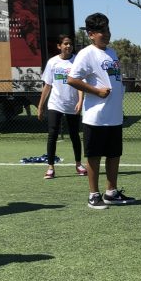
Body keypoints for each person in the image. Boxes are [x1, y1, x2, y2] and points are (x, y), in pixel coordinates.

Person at [65, 13, 134, 209]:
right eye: (101, 31)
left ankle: (111, 193)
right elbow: (72, 79)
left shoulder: (112, 53)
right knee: (94, 156)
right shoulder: (86, 54)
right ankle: (93, 195)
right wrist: (96, 91)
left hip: (114, 116)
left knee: (114, 155)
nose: (106, 34)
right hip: (96, 117)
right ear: (91, 34)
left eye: (107, 30)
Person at [37, 34, 87, 180]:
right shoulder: (53, 63)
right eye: (65, 44)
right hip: (55, 104)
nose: (68, 46)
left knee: (74, 135)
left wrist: (80, 101)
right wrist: (41, 106)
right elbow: (47, 85)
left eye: (70, 44)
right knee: (52, 134)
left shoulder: (77, 61)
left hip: (72, 104)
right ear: (59, 46)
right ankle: (50, 167)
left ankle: (78, 164)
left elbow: (79, 83)